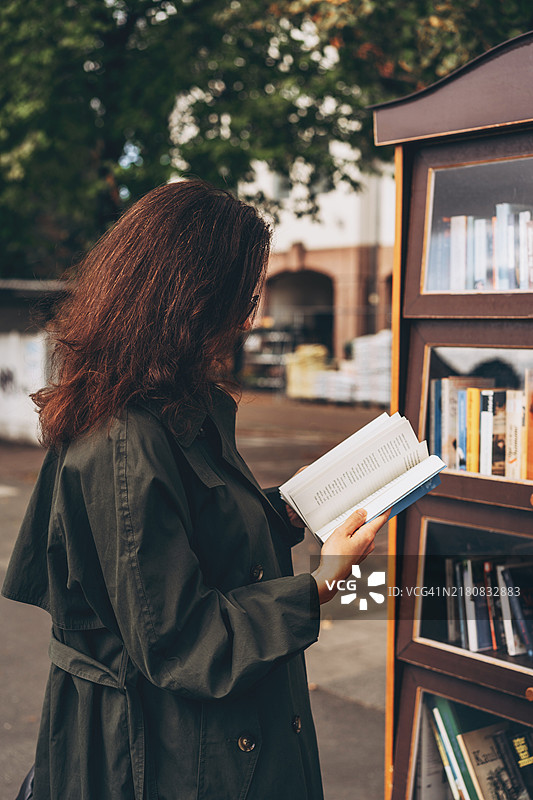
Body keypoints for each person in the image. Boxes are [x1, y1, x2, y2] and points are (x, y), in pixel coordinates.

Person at [2, 179, 389, 800]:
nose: (249, 317)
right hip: (167, 758)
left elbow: (195, 529)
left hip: (207, 741)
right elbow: (184, 641)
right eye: (244, 295)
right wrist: (322, 584)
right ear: (194, 300)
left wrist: (290, 511)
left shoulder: (173, 405)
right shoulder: (125, 437)